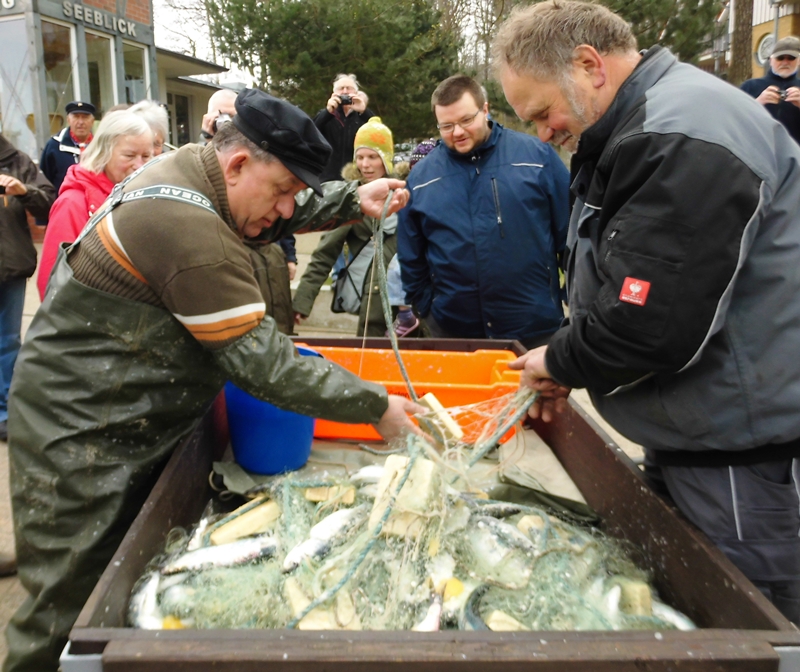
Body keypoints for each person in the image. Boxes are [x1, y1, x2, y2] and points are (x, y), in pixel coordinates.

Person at [4, 88, 416, 672]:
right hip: (79, 436)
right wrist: (376, 405)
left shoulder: (196, 170)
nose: (283, 212)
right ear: (240, 162)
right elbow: (264, 362)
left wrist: (352, 198)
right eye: (281, 192)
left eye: (293, 194)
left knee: (122, 585)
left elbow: (274, 207)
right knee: (67, 607)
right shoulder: (186, 228)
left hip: (127, 408)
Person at [494, 0, 800, 624]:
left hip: (741, 454)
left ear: (588, 66)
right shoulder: (641, 126)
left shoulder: (684, 133)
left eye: (543, 112)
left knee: (747, 627)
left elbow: (650, 319)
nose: (544, 133)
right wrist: (569, 356)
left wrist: (561, 356)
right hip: (694, 431)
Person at [397, 75, 570, 350]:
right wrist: (427, 308)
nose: (457, 132)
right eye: (447, 126)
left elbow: (571, 236)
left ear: (485, 110)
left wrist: (570, 296)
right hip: (454, 332)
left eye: (466, 120)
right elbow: (411, 255)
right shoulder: (421, 179)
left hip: (535, 330)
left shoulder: (537, 158)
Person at [293, 117, 408, 336]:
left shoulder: (405, 194)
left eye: (373, 157)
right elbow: (325, 254)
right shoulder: (351, 198)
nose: (365, 164)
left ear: (386, 159)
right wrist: (302, 302)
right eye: (360, 157)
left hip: (409, 307)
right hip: (373, 310)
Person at [0, 133, 55, 577]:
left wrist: (23, 191)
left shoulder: (16, 160)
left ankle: (3, 410)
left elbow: (47, 199)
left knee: (7, 345)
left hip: (11, 266)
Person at [200, 88, 298, 332]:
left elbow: (277, 205)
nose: (229, 125)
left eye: (235, 117)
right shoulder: (195, 183)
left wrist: (289, 254)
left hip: (269, 259)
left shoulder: (264, 163)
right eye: (221, 116)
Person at [37, 110, 154, 300]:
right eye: (129, 155)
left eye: (146, 156)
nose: (139, 165)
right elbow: (52, 280)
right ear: (104, 152)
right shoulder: (72, 204)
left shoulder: (145, 195)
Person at [313, 73, 374, 183]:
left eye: (349, 88)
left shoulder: (362, 116)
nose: (345, 92)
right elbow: (312, 131)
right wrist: (328, 112)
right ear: (334, 93)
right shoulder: (326, 115)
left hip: (355, 179)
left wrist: (364, 111)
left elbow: (378, 131)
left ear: (356, 93)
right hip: (327, 179)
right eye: (341, 89)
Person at [741, 36, 800, 144]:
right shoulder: (750, 86)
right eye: (780, 58)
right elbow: (734, 119)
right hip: (758, 151)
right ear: (771, 60)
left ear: (799, 61)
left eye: (791, 58)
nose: (785, 62)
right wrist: (758, 102)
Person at [39, 101, 96, 194]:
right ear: (68, 120)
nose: (80, 122)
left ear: (92, 121)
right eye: (76, 117)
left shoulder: (101, 146)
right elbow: (45, 181)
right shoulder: (54, 146)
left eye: (85, 117)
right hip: (64, 204)